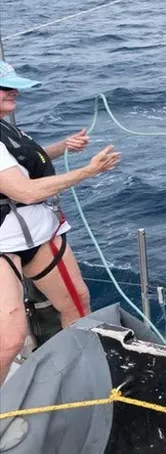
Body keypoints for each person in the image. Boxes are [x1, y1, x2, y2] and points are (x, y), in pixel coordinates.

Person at [0, 60, 120, 383]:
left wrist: (63, 147)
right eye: (5, 87)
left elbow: (23, 163)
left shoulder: (4, 126)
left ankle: (75, 381)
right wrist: (89, 172)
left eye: (14, 86)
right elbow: (23, 190)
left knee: (77, 303)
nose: (14, 92)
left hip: (36, 235)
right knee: (9, 339)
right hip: (4, 245)